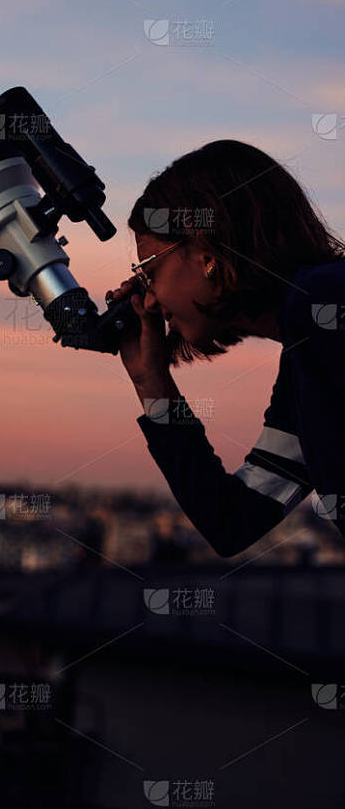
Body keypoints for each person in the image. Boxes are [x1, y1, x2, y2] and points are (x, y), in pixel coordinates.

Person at [106, 140, 345, 558]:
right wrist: (153, 383)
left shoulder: (323, 298)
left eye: (150, 270)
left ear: (206, 252)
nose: (149, 299)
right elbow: (231, 520)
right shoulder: (304, 359)